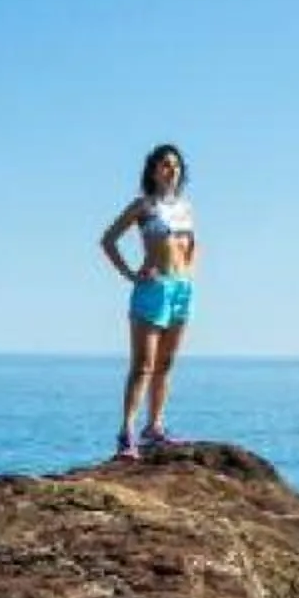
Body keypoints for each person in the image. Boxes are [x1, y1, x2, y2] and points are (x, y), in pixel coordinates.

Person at [97, 142, 197, 459]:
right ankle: (127, 434)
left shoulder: (185, 208)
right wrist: (130, 273)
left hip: (181, 289)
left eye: (176, 165)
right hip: (152, 290)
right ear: (153, 170)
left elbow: (191, 246)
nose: (172, 169)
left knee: (165, 365)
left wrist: (188, 275)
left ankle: (155, 427)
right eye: (165, 164)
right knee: (143, 365)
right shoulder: (143, 206)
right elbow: (108, 239)